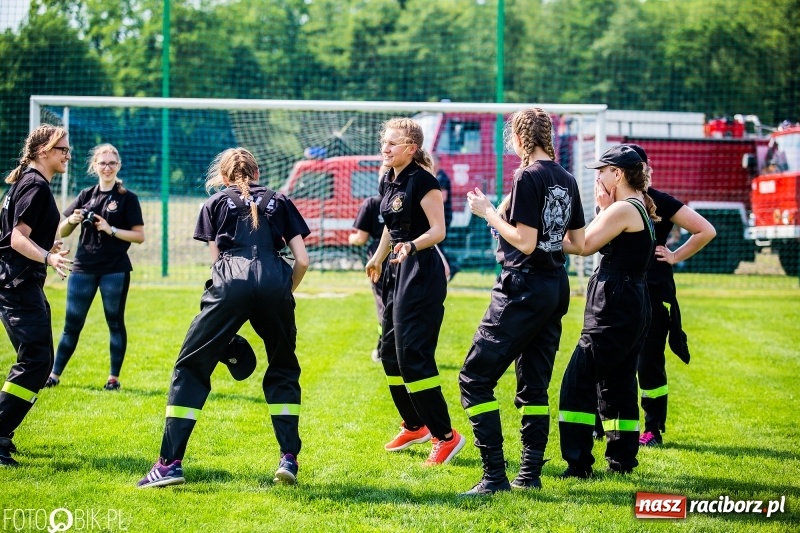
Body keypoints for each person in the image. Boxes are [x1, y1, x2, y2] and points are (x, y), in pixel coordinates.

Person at [137, 147, 310, 487]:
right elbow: (302, 260)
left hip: (230, 279)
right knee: (283, 366)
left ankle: (169, 464)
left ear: (224, 177)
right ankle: (288, 458)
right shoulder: (280, 199)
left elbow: (216, 265)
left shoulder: (215, 203)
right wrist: (283, 289)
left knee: (190, 367)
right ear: (256, 174)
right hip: (276, 280)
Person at [458, 108, 586, 495]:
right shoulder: (567, 178)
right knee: (534, 386)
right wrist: (514, 220)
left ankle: (494, 477)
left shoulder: (528, 175)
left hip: (523, 287)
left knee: (474, 378)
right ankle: (529, 475)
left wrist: (487, 215)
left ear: (518, 138)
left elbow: (526, 242)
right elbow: (578, 244)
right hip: (553, 286)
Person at [365, 118, 466, 466]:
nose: (385, 147)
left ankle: (446, 436)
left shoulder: (425, 181)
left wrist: (412, 245)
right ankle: (415, 424)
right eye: (384, 142)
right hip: (396, 268)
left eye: (392, 143)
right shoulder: (387, 178)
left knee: (413, 355)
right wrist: (378, 258)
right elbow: (391, 229)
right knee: (390, 353)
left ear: (411, 148)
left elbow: (438, 231)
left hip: (422, 271)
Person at [558, 144, 657, 477]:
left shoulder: (622, 209)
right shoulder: (636, 205)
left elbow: (582, 246)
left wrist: (533, 235)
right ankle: (622, 460)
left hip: (616, 304)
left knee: (577, 381)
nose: (598, 177)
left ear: (618, 174)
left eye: (602, 171)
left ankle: (578, 463)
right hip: (631, 302)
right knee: (618, 383)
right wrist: (603, 208)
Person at [626, 144, 716, 447]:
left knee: (649, 360)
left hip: (654, 290)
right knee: (613, 357)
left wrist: (675, 255)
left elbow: (706, 230)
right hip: (622, 289)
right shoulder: (617, 202)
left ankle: (653, 429)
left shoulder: (661, 202)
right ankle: (608, 422)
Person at [0, 125, 72, 466]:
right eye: (62, 149)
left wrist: (46, 245)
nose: (67, 154)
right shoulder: (34, 184)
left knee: (39, 362)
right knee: (35, 362)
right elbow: (15, 238)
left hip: (22, 283)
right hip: (17, 285)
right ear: (43, 150)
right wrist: (48, 256)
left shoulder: (30, 181)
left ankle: (3, 432)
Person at [46, 144, 145, 391]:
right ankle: (54, 375)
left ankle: (113, 378)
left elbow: (139, 236)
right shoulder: (85, 195)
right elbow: (62, 229)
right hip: (82, 268)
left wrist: (109, 229)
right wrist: (73, 219)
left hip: (115, 269)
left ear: (118, 166)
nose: (107, 167)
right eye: (102, 163)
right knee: (72, 324)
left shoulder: (127, 198)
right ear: (95, 166)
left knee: (114, 322)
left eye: (112, 163)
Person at [349, 169, 387, 364]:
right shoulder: (408, 200)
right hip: (403, 255)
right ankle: (387, 348)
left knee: (383, 305)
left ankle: (384, 349)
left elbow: (361, 238)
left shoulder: (372, 203)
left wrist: (352, 238)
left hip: (378, 258)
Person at [432, 155, 459, 280]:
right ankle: (449, 267)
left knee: (438, 243)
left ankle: (451, 266)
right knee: (438, 244)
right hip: (440, 216)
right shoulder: (436, 177)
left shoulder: (441, 177)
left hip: (444, 216)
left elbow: (443, 197)